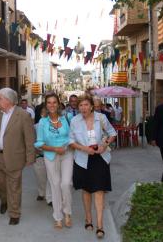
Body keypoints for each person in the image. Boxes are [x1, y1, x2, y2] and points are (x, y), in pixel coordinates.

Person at [0, 88, 36, 225]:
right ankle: (4, 199)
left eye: (0, 98)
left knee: (14, 187)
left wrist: (30, 157)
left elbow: (30, 138)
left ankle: (14, 213)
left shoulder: (23, 115)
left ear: (8, 101)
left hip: (14, 157)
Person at [69, 94, 117, 239]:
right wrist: (84, 149)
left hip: (100, 158)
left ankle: (100, 225)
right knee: (86, 191)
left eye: (86, 105)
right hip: (82, 159)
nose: (83, 108)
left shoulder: (101, 118)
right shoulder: (74, 121)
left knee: (99, 191)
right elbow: (70, 141)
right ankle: (88, 218)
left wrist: (105, 145)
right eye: (80, 105)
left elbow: (112, 133)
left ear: (91, 106)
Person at [34, 93, 74, 230]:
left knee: (66, 184)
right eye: (49, 103)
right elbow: (39, 143)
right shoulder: (42, 123)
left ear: (58, 104)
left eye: (54, 102)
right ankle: (58, 217)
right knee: (55, 185)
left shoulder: (67, 118)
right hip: (50, 156)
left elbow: (73, 137)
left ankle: (67, 212)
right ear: (46, 105)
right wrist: (54, 149)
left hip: (67, 154)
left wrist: (66, 146)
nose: (52, 105)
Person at [33, 107, 52, 206]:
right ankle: (41, 192)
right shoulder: (35, 127)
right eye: (43, 112)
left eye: (47, 112)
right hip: (38, 155)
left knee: (51, 177)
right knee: (40, 176)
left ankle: (50, 198)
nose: (45, 114)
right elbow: (31, 140)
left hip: (51, 155)